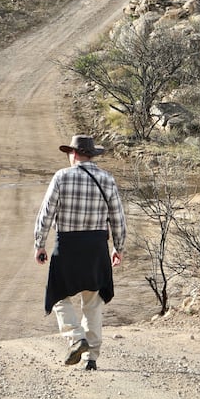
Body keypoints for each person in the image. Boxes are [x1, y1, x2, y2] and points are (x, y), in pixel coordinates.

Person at [33, 134, 126, 371]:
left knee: (58, 296)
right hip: (96, 247)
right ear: (91, 154)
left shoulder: (61, 177)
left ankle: (76, 338)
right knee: (93, 302)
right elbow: (117, 217)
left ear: (73, 153)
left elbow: (46, 214)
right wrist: (118, 247)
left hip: (68, 246)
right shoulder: (107, 179)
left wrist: (39, 244)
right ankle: (91, 358)